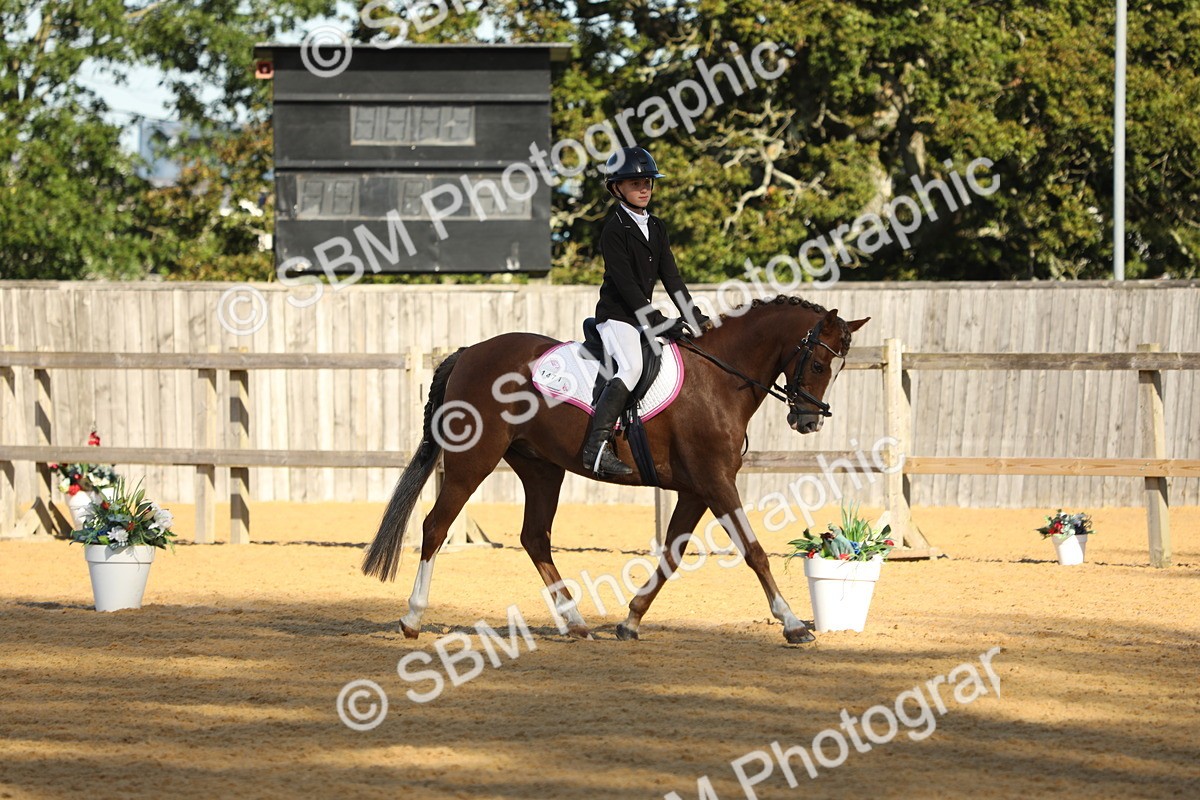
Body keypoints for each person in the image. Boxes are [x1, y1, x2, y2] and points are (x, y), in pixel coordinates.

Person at [581, 146, 710, 478]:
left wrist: (692, 315)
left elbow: (672, 277)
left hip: (642, 317)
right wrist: (658, 321)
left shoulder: (657, 227)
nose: (644, 188)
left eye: (648, 182)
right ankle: (596, 448)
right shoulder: (614, 229)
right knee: (633, 366)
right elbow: (626, 286)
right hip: (617, 317)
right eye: (636, 182)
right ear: (616, 188)